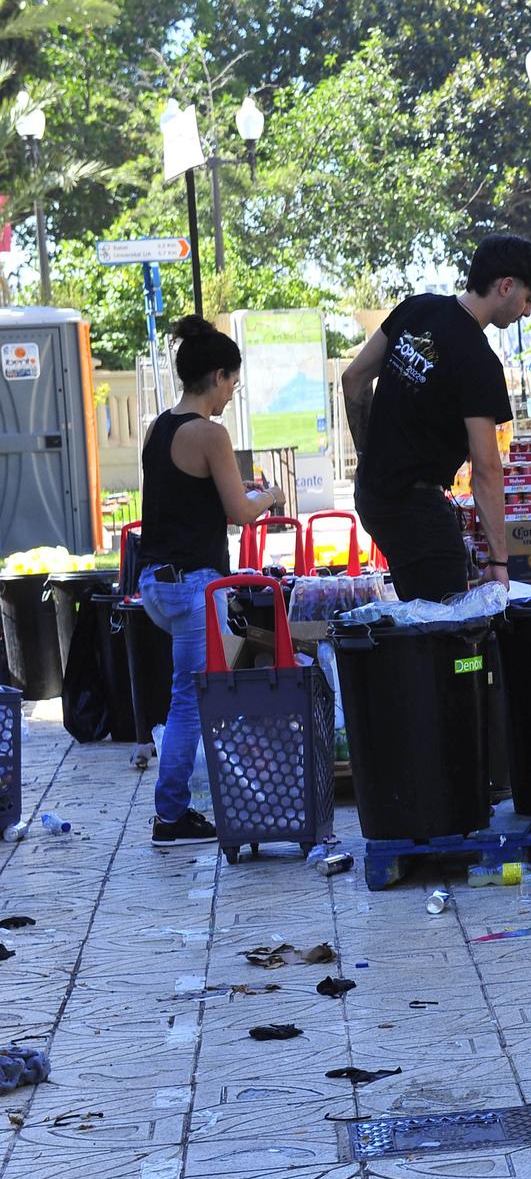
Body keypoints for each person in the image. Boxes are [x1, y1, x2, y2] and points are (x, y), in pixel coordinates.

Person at [138, 318, 287, 846]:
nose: (232, 394)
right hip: (192, 585)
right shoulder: (210, 433)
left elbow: (182, 499)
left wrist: (240, 492)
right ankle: (171, 815)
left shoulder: (161, 427)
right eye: (233, 383)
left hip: (155, 580)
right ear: (217, 375)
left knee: (192, 695)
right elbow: (240, 514)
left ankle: (190, 805)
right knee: (190, 701)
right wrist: (268, 496)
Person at [342, 234, 531, 602]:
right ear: (506, 286)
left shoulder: (415, 308)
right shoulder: (478, 359)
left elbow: (354, 379)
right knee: (448, 635)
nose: (526, 312)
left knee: (418, 618)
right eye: (529, 299)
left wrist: (368, 456)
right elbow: (487, 467)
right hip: (417, 510)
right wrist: (499, 561)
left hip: (373, 496)